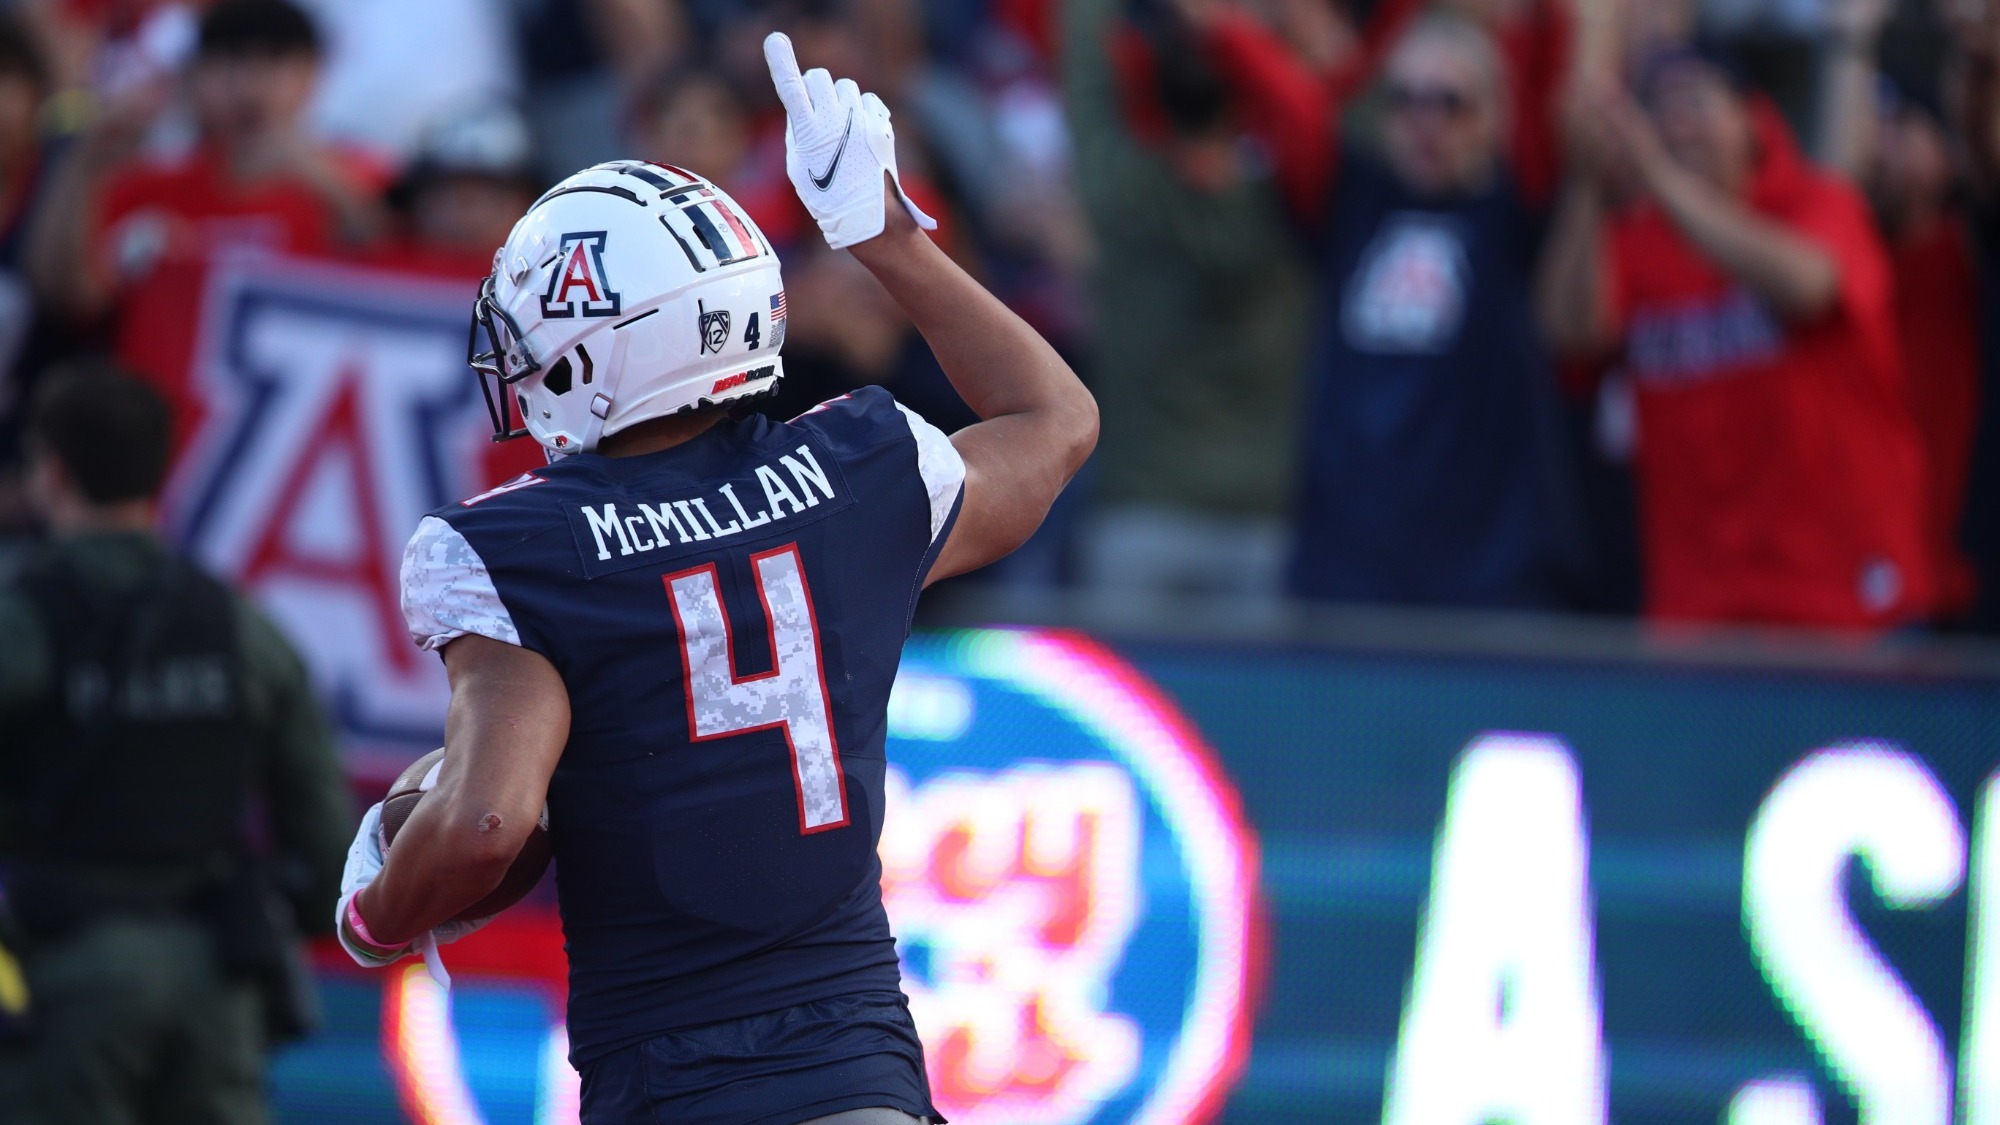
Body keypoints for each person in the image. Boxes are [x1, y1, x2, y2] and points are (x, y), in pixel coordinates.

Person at [334, 31, 1096, 1125]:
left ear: (599, 351)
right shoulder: (853, 467)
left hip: (669, 1079)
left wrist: (377, 915)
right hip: (855, 1069)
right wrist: (889, 241)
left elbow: (485, 825)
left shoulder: (516, 544)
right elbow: (1055, 422)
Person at [0, 361, 351, 1125]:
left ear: (51, 471)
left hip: (64, 976)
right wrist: (305, 915)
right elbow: (325, 830)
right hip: (218, 977)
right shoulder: (239, 623)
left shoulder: (23, 615)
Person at [1205, 8, 1588, 608]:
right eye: (1404, 100)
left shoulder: (1517, 214)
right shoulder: (1350, 202)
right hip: (1346, 576)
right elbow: (1290, 107)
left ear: (1494, 117)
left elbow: (1551, 59)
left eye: (1449, 102)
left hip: (1487, 580)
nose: (1424, 122)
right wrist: (1227, 24)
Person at [1538, 49, 1933, 629]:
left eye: (1695, 103)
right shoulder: (1637, 239)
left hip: (1847, 602)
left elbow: (1807, 285)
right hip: (1703, 609)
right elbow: (1569, 333)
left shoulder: (1820, 202)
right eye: (1659, 112)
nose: (1675, 126)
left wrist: (1656, 176)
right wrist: (1588, 183)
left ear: (1755, 119)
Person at [26, 0, 382, 327]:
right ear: (193, 78)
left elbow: (402, 282)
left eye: (275, 62)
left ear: (312, 77)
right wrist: (85, 164)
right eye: (230, 62)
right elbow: (76, 296)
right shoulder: (148, 185)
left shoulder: (361, 178)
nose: (251, 86)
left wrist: (328, 186)